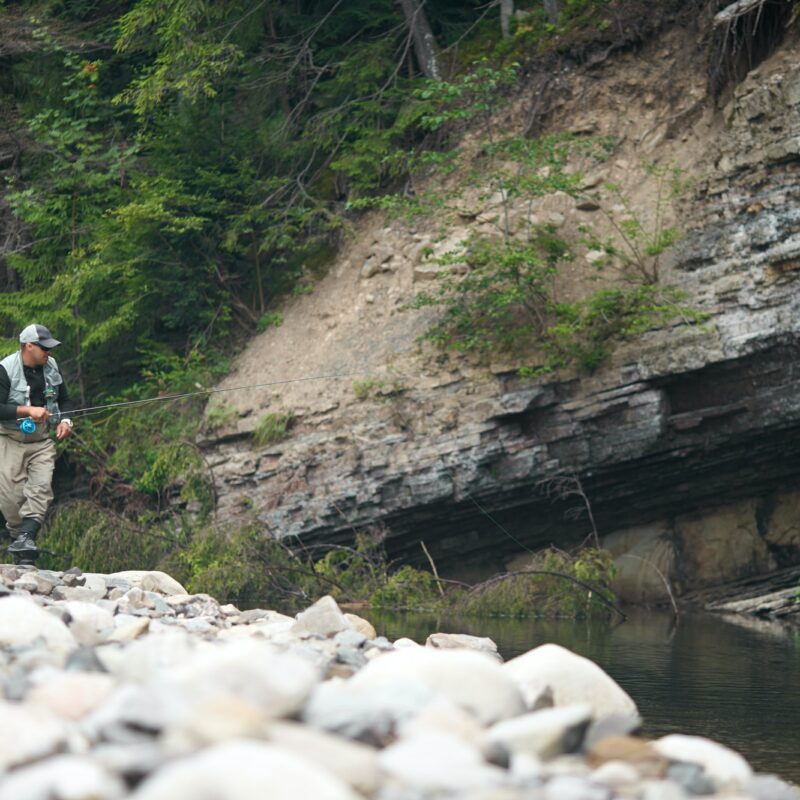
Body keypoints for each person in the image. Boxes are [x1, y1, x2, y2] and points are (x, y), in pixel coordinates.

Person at [0, 324, 73, 565]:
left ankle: (27, 537)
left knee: (41, 486)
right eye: (44, 348)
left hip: (41, 440)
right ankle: (19, 539)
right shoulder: (5, 369)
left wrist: (65, 420)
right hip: (9, 440)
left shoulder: (51, 367)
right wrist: (27, 410)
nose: (48, 353)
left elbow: (64, 399)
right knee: (10, 498)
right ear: (28, 346)